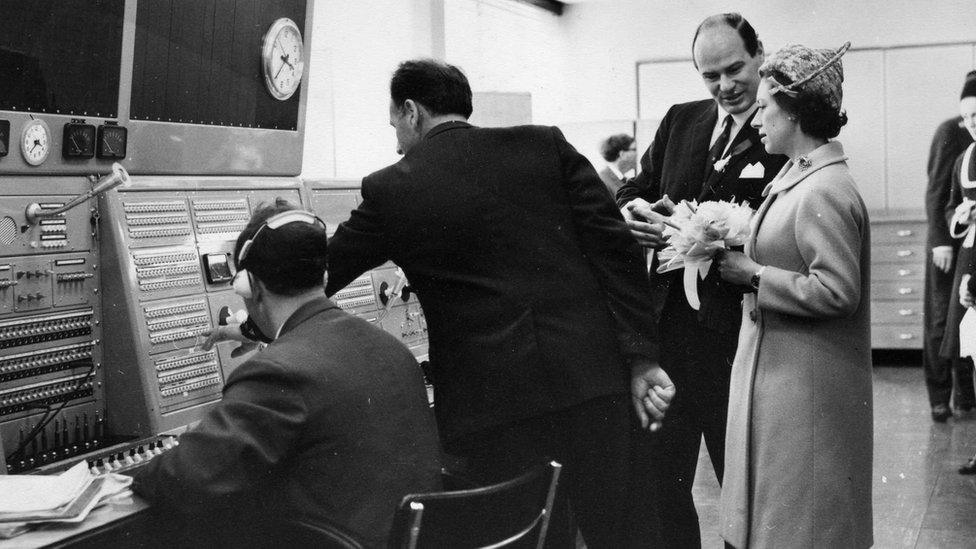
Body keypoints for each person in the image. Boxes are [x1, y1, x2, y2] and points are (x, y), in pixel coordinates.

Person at [325, 59, 674, 548]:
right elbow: (615, 249)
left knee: (523, 535)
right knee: (624, 531)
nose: (396, 143)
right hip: (594, 382)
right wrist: (642, 357)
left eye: (395, 128)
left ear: (411, 111)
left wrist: (253, 316)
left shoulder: (391, 187)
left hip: (493, 409)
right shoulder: (544, 145)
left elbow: (320, 271)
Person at [129, 202, 443, 549]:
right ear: (324, 277)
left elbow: (186, 478)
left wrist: (144, 467)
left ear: (251, 287)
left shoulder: (278, 372)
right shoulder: (391, 349)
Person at [615, 13, 787, 547]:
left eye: (735, 69)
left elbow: (787, 230)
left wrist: (716, 234)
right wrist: (633, 213)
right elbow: (632, 190)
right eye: (709, 76)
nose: (725, 86)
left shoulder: (783, 127)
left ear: (760, 55)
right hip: (668, 339)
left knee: (745, 490)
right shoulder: (680, 121)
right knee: (662, 485)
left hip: (738, 340)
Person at [715, 42, 873, 548]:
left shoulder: (825, 188)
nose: (755, 117)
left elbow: (838, 291)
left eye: (765, 106)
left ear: (797, 111)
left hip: (806, 391)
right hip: (783, 381)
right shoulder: (797, 177)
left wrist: (755, 275)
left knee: (801, 525)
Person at [924, 70, 976, 422]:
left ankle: (966, 397)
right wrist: (942, 240)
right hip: (948, 240)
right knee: (943, 320)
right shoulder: (950, 132)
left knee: (967, 323)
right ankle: (940, 396)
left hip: (970, 244)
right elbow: (937, 191)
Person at [939, 76, 976, 407]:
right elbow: (949, 206)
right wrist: (961, 217)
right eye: (967, 118)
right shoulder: (963, 159)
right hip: (970, 255)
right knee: (967, 345)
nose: (972, 124)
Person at [598, 133, 637, 198]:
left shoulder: (625, 180)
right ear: (622, 154)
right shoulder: (602, 180)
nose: (638, 153)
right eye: (634, 149)